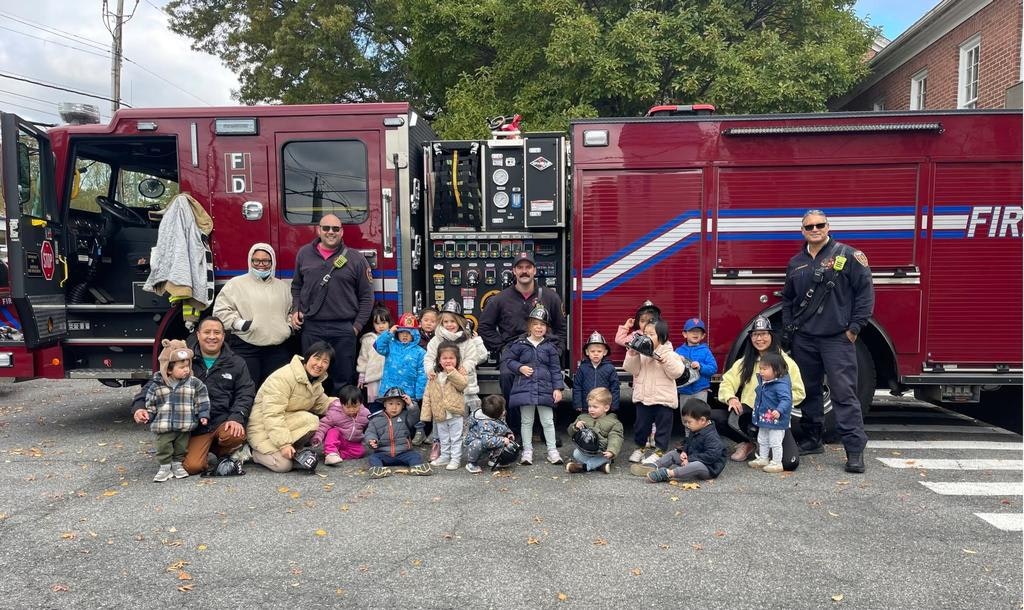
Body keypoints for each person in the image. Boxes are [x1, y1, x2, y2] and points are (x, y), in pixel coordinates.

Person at [781, 209, 874, 474]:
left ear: (828, 226)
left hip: (837, 339)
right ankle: (813, 439)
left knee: (844, 394)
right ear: (802, 230)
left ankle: (854, 450)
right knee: (809, 392)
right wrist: (789, 327)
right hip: (805, 338)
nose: (814, 229)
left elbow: (865, 294)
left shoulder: (848, 255)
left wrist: (855, 328)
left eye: (819, 225)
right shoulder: (796, 262)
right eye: (809, 226)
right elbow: (788, 299)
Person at [131, 317, 255, 476]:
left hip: (222, 422)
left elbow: (246, 392)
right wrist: (139, 407)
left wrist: (236, 416)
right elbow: (153, 385)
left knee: (234, 434)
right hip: (195, 427)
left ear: (223, 336)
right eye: (207, 332)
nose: (212, 336)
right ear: (198, 335)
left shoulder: (236, 362)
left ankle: (227, 452)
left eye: (217, 332)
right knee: (192, 467)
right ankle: (202, 451)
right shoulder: (182, 359)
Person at [478, 251, 566, 435]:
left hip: (543, 348)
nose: (524, 271)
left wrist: (556, 350)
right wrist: (501, 347)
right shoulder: (500, 299)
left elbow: (560, 328)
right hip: (514, 350)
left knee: (548, 375)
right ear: (514, 271)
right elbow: (484, 327)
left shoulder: (550, 297)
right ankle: (515, 429)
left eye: (528, 267)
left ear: (534, 271)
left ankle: (546, 429)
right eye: (520, 268)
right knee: (508, 375)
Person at [289, 213, 374, 393]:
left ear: (342, 232)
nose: (330, 232)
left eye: (335, 229)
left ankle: (342, 418)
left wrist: (356, 327)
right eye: (326, 228)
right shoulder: (304, 254)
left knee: (342, 379)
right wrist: (296, 310)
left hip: (344, 329)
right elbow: (296, 287)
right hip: (312, 327)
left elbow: (367, 297)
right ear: (318, 230)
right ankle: (315, 419)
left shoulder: (356, 259)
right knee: (311, 378)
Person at [715, 316, 804, 471]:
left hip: (774, 418)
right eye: (755, 335)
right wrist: (730, 398)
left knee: (790, 463)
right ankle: (749, 443)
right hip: (750, 414)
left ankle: (767, 448)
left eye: (764, 334)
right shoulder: (745, 362)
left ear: (771, 336)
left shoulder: (785, 362)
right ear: (750, 338)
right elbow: (727, 381)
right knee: (712, 416)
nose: (759, 338)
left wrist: (777, 405)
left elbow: (799, 392)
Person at [248, 342, 336, 473]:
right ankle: (252, 452)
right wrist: (284, 444)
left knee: (311, 421)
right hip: (262, 427)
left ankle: (290, 448)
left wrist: (347, 405)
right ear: (307, 357)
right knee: (283, 466)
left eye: (325, 361)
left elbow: (322, 404)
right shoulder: (284, 377)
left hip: (282, 426)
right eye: (316, 358)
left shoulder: (314, 381)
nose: (319, 365)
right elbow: (273, 415)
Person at [212, 243, 292, 387]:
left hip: (278, 350)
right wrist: (241, 324)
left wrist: (289, 327)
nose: (261, 264)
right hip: (247, 348)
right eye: (256, 260)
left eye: (266, 261)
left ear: (272, 262)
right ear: (250, 261)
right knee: (248, 389)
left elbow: (291, 312)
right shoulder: (235, 284)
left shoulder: (282, 287)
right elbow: (220, 312)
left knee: (276, 391)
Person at [140, 339, 210, 482]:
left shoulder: (194, 383)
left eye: (187, 366)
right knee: (163, 446)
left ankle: (177, 464)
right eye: (181, 367)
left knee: (181, 447)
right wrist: (150, 414)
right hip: (163, 424)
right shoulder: (157, 385)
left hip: (184, 423)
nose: (186, 370)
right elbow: (151, 401)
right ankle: (164, 467)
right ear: (169, 369)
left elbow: (202, 399)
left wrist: (202, 414)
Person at [503, 304, 564, 465]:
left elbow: (555, 369)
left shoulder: (550, 347)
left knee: (548, 421)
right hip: (525, 388)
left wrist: (557, 388)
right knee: (527, 421)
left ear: (546, 328)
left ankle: (552, 451)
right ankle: (527, 451)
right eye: (535, 324)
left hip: (545, 389)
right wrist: (520, 367)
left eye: (542, 324)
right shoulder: (520, 343)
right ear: (529, 326)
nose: (539, 327)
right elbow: (508, 361)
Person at [623, 319, 686, 465]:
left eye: (651, 334)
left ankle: (659, 451)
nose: (647, 336)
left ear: (662, 337)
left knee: (663, 427)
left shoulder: (670, 353)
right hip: (643, 397)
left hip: (663, 399)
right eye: (645, 333)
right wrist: (632, 354)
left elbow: (677, 372)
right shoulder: (641, 352)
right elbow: (632, 370)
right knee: (640, 426)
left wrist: (666, 361)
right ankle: (640, 448)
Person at [640, 399, 727, 484]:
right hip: (692, 458)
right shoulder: (696, 429)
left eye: (689, 422)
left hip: (708, 468)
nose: (687, 424)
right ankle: (654, 466)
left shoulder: (711, 436)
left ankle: (668, 474)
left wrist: (690, 459)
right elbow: (688, 442)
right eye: (685, 422)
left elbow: (711, 456)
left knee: (697, 465)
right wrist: (684, 451)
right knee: (673, 454)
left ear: (702, 420)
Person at [424, 299, 488, 415]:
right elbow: (429, 357)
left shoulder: (467, 339)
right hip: (443, 384)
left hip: (465, 385)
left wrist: (466, 367)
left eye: (453, 321)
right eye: (446, 322)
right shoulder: (436, 340)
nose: (449, 325)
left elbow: (472, 357)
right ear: (441, 323)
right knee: (444, 417)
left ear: (459, 322)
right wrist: (429, 369)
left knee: (465, 417)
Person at [374, 312, 428, 443]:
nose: (404, 335)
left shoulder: (420, 352)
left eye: (408, 333)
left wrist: (419, 392)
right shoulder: (391, 346)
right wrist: (388, 333)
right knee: (390, 411)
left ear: (414, 334)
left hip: (409, 390)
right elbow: (377, 346)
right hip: (389, 388)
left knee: (412, 411)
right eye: (402, 332)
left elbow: (422, 373)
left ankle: (419, 430)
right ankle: (390, 434)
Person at [615, 300, 661, 448]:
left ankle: (654, 435)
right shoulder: (635, 335)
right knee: (642, 410)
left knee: (655, 407)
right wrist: (626, 327)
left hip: (654, 379)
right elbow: (619, 340)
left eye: (650, 321)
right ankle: (645, 435)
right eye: (642, 321)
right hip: (639, 378)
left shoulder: (659, 336)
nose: (645, 324)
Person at [421, 342, 468, 470]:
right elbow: (427, 395)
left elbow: (462, 384)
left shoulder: (459, 373)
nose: (448, 361)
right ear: (439, 360)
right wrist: (426, 414)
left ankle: (455, 459)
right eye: (444, 358)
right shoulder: (434, 375)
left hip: (455, 412)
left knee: (456, 437)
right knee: (443, 437)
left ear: (457, 360)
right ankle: (445, 456)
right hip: (439, 412)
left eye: (451, 358)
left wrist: (452, 372)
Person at [364, 387, 432, 478]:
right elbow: (370, 432)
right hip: (384, 452)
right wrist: (371, 440)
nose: (394, 407)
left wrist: (411, 404)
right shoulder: (376, 419)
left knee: (416, 456)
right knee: (373, 458)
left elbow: (415, 417)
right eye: (390, 403)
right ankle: (378, 470)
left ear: (403, 405)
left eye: (398, 404)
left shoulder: (406, 416)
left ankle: (417, 467)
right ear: (385, 404)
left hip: (403, 453)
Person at [749, 352, 793, 474]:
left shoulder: (780, 384)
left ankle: (777, 462)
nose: (761, 372)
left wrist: (779, 410)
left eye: (765, 369)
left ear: (777, 370)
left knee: (775, 441)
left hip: (776, 419)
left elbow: (786, 399)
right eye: (760, 368)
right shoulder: (766, 382)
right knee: (762, 438)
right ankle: (763, 458)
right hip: (765, 418)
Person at [565, 388, 623, 474]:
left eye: (595, 407)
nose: (591, 409)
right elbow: (570, 433)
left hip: (601, 452)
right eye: (589, 406)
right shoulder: (582, 418)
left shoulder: (614, 423)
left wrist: (611, 451)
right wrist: (575, 427)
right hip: (585, 451)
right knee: (576, 453)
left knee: (607, 458)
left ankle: (583, 467)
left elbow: (616, 437)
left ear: (606, 408)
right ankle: (599, 466)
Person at [310, 384, 370, 466]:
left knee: (361, 451)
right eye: (348, 407)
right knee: (333, 431)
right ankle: (330, 453)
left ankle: (337, 455)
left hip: (353, 442)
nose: (352, 410)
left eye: (355, 406)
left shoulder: (365, 414)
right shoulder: (334, 413)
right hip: (340, 439)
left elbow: (371, 427)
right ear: (342, 404)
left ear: (360, 403)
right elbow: (323, 425)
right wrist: (318, 437)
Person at [463, 395, 516, 474]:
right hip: (479, 445)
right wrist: (502, 440)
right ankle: (471, 463)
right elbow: (487, 441)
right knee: (478, 443)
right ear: (497, 413)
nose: (504, 410)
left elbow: (503, 426)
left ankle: (494, 459)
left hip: (490, 441)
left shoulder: (496, 417)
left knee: (502, 440)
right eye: (503, 409)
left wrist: (508, 433)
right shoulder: (485, 424)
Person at [572, 331, 620, 413]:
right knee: (586, 424)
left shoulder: (610, 368)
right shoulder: (582, 368)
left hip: (603, 406)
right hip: (587, 407)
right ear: (587, 352)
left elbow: (614, 388)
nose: (596, 354)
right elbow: (577, 387)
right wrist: (578, 404)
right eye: (592, 351)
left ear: (605, 352)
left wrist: (614, 405)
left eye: (599, 351)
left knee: (603, 425)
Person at [674, 318, 717, 407]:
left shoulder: (705, 351)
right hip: (684, 391)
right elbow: (672, 369)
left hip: (700, 390)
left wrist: (700, 367)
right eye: (692, 331)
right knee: (686, 418)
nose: (695, 333)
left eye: (698, 331)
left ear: (703, 336)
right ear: (685, 334)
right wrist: (677, 360)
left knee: (699, 417)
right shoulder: (678, 351)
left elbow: (713, 368)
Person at [357, 306, 391, 405]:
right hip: (372, 378)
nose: (381, 326)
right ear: (372, 324)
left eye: (384, 323)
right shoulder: (367, 339)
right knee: (374, 403)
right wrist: (362, 374)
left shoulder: (392, 339)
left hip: (388, 377)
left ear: (389, 323)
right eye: (377, 323)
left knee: (389, 401)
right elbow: (363, 358)